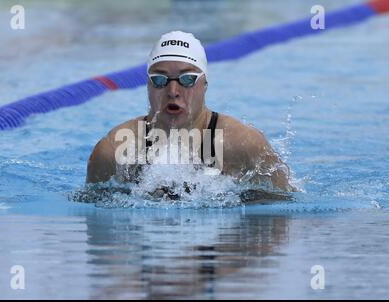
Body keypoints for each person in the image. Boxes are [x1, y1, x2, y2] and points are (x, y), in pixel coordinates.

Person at [86, 31, 295, 194]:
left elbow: (281, 217)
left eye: (187, 79)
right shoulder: (114, 151)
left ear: (204, 84)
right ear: (148, 86)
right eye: (160, 80)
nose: (173, 92)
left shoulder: (242, 145)